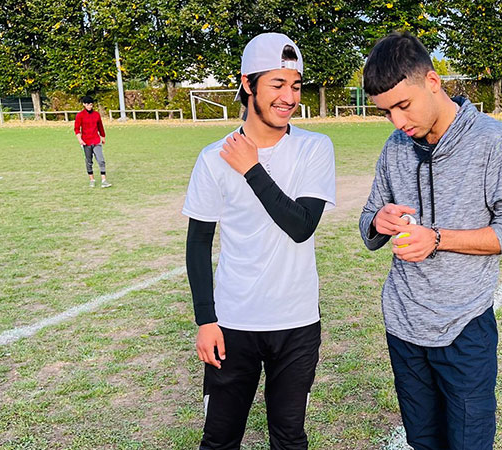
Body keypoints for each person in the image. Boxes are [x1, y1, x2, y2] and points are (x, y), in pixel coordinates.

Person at [358, 32, 502, 450]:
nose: (397, 122)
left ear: (433, 82)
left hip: (464, 327)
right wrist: (378, 220)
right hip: (403, 325)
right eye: (386, 112)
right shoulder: (395, 147)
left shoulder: (493, 140)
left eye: (404, 105)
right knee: (423, 441)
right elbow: (368, 222)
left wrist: (437, 239)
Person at [182, 32, 336, 450]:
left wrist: (252, 168)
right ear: (248, 84)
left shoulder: (314, 148)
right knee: (219, 438)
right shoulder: (213, 157)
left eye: (296, 86)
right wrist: (205, 320)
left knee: (289, 438)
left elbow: (301, 225)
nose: (289, 97)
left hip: (297, 321)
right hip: (233, 322)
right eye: (277, 84)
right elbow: (198, 243)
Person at [74, 96, 111, 188]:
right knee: (89, 161)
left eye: (91, 104)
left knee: (101, 160)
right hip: (86, 142)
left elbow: (100, 126)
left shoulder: (96, 115)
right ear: (84, 104)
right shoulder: (80, 115)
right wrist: (80, 139)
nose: (89, 106)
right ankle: (92, 179)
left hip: (96, 140)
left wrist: (103, 136)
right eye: (88, 105)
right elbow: (77, 129)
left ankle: (104, 180)